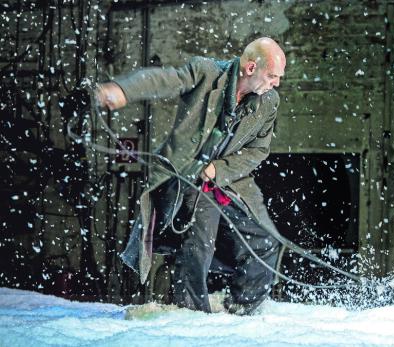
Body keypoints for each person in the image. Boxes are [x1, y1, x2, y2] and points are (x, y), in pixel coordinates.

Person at [96, 37, 286, 315]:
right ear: (250, 68)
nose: (276, 83)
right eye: (272, 76)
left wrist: (220, 169)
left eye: (279, 77)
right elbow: (164, 80)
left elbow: (258, 150)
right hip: (191, 179)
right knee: (198, 247)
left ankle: (240, 309)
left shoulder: (268, 101)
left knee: (267, 241)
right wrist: (123, 90)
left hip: (231, 181)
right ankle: (191, 316)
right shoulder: (207, 73)